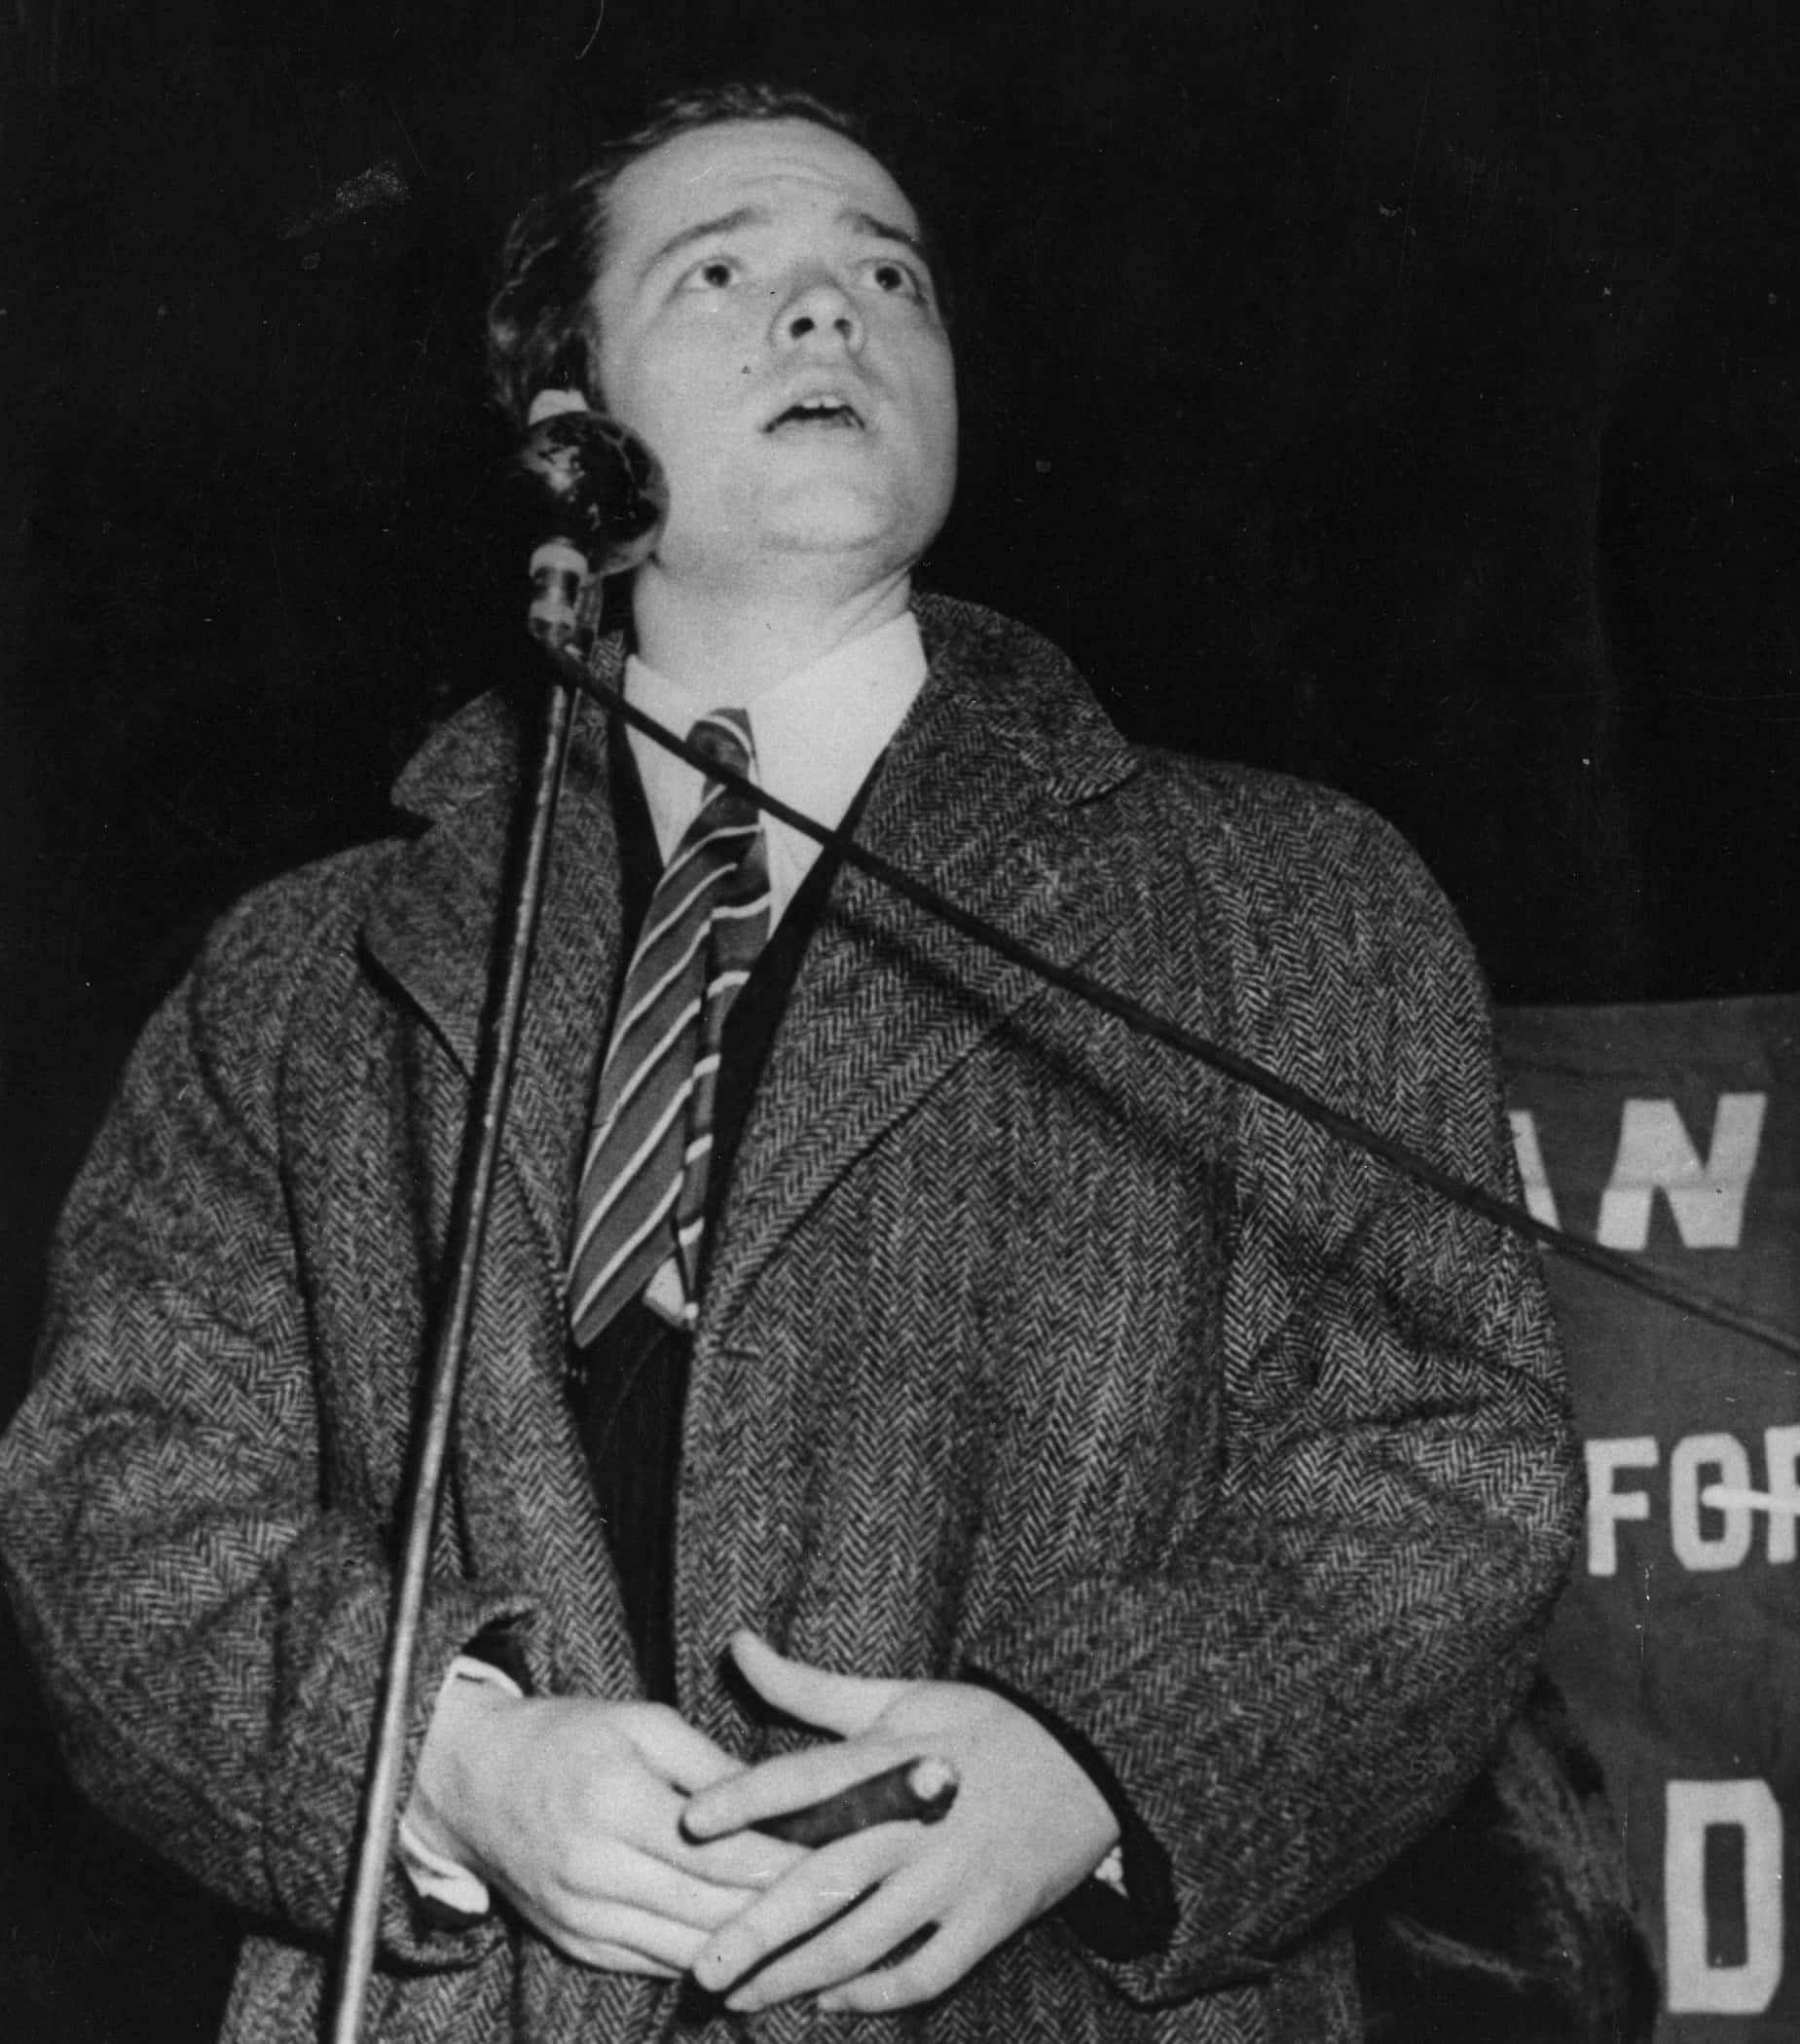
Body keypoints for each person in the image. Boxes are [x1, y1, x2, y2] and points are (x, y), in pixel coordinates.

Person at [0, 81, 1580, 2041]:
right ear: (568, 431)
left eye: (884, 276)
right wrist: (445, 1761)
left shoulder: (1291, 902)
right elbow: (116, 1491)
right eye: (727, 271)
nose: (828, 315)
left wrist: (1095, 1762)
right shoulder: (303, 976)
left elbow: (1441, 1466)